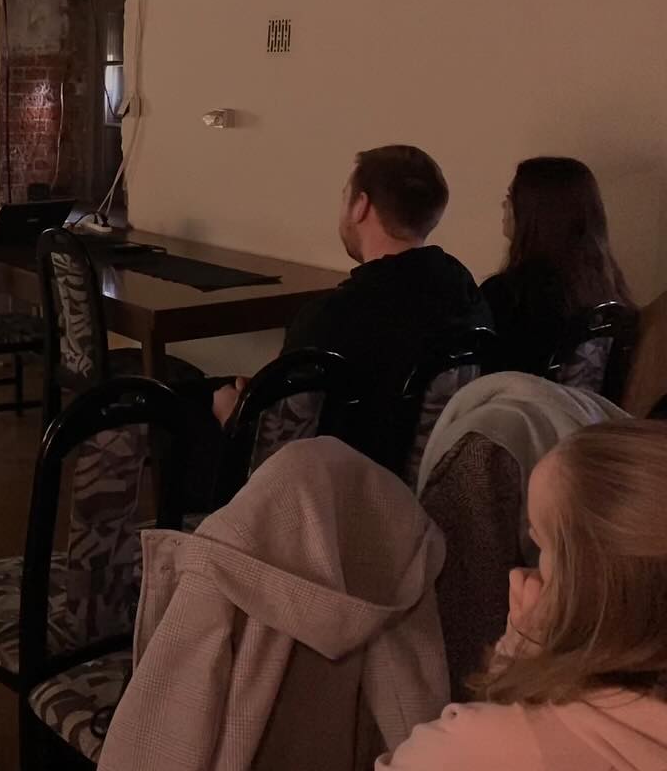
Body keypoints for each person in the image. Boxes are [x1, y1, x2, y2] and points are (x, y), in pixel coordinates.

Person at [379, 419, 667, 769]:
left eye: (541, 549)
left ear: (589, 588)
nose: (520, 574)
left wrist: (519, 668)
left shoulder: (473, 747)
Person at [213, 145, 491, 469]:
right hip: (438, 487)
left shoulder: (331, 318)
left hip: (344, 491)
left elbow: (276, 458)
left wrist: (238, 413)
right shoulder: (469, 297)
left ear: (361, 206)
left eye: (345, 196)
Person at [482, 157, 632, 374]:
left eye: (510, 197)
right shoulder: (606, 291)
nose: (504, 206)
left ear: (535, 213)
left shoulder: (508, 295)